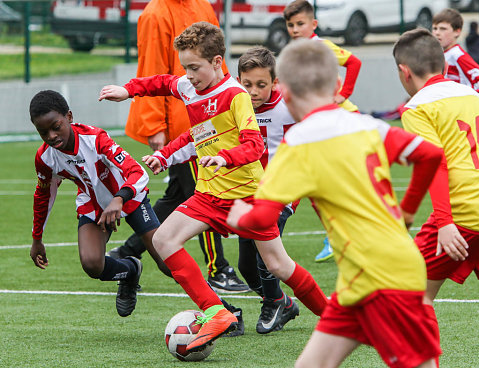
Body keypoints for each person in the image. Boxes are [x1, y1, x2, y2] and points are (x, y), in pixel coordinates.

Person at [99, 22, 328, 352]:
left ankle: (335, 318)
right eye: (186, 67)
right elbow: (163, 84)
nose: (189, 75)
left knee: (278, 265)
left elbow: (254, 146)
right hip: (208, 195)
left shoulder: (235, 96)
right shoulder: (189, 86)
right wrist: (129, 90)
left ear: (217, 62)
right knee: (163, 239)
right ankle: (216, 311)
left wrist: (225, 158)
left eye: (195, 68)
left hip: (248, 197)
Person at [227, 39, 443, 368]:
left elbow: (263, 218)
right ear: (338, 85)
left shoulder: (297, 141)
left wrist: (240, 217)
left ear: (283, 92)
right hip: (361, 278)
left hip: (381, 275)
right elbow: (430, 155)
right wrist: (408, 211)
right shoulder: (366, 123)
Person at [106, 0, 249, 294]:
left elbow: (214, 56)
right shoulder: (155, 13)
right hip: (183, 130)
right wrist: (154, 125)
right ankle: (218, 268)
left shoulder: (202, 6)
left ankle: (127, 251)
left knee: (178, 195)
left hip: (209, 129)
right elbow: (155, 69)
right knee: (204, 192)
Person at [29, 90, 170, 319]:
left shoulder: (95, 139)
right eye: (43, 132)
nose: (52, 135)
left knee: (168, 263)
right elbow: (43, 196)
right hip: (93, 205)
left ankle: (221, 309)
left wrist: (119, 198)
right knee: (92, 264)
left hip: (129, 197)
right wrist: (37, 239)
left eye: (56, 126)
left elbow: (137, 172)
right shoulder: (45, 158)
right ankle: (130, 271)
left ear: (69, 117)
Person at [394, 27, 479, 364]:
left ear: (405, 71)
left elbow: (437, 165)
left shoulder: (416, 107)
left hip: (461, 214)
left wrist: (444, 221)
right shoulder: (474, 96)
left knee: (411, 294)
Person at [283, 0, 362, 262]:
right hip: (321, 123)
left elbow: (354, 62)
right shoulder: (296, 51)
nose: (295, 29)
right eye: (291, 25)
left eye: (300, 24)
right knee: (317, 182)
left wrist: (344, 95)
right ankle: (335, 234)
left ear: (313, 24)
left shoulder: (320, 47)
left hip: (343, 119)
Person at [235, 45, 299, 334]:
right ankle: (281, 301)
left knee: (266, 257)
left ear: (275, 82)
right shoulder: (237, 105)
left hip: (281, 192)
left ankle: (273, 303)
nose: (253, 91)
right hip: (248, 192)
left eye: (261, 85)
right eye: (246, 84)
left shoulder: (289, 105)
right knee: (246, 266)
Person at [432, 8, 479, 93]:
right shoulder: (441, 55)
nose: (437, 33)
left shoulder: (458, 56)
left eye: (443, 29)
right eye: (435, 28)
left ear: (457, 32)